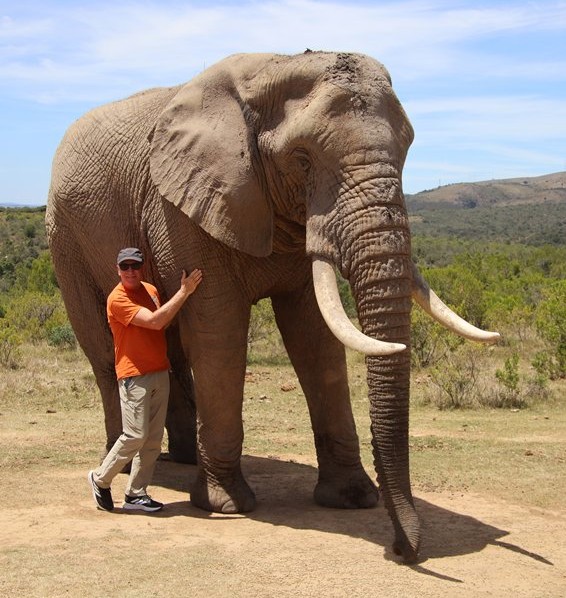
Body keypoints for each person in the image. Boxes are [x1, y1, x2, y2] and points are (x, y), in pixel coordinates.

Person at [88, 247, 202, 512]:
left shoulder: (150, 290)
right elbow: (154, 321)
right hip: (134, 376)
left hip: (159, 372)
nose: (130, 271)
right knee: (135, 435)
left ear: (142, 267)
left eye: (135, 266)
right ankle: (100, 478)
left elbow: (163, 319)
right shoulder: (117, 299)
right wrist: (184, 292)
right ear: (118, 269)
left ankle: (136, 493)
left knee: (152, 440)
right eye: (125, 266)